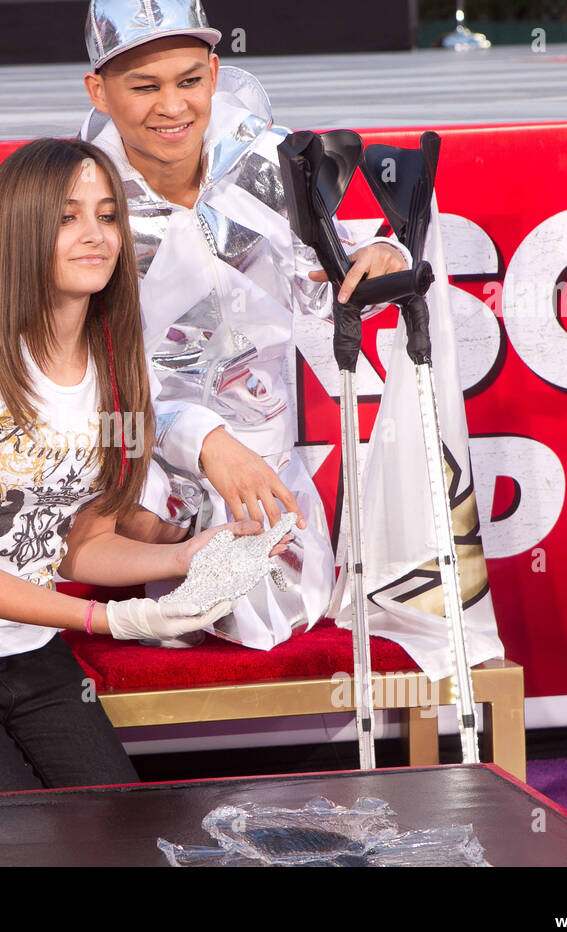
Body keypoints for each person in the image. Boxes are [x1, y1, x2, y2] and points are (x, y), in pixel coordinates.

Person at [0, 138, 270, 797]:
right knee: (21, 835)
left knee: (112, 825)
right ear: (22, 230)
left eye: (107, 215)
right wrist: (108, 621)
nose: (94, 234)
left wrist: (186, 557)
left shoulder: (117, 365)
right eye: (68, 216)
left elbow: (80, 547)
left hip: (29, 646)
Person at [79, 0, 411, 649]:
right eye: (144, 87)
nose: (171, 107)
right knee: (111, 522)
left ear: (214, 70)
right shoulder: (77, 197)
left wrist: (383, 257)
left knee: (279, 586)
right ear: (99, 89)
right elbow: (68, 374)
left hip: (261, 457)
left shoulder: (266, 159)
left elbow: (333, 269)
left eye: (189, 81)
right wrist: (200, 440)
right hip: (134, 449)